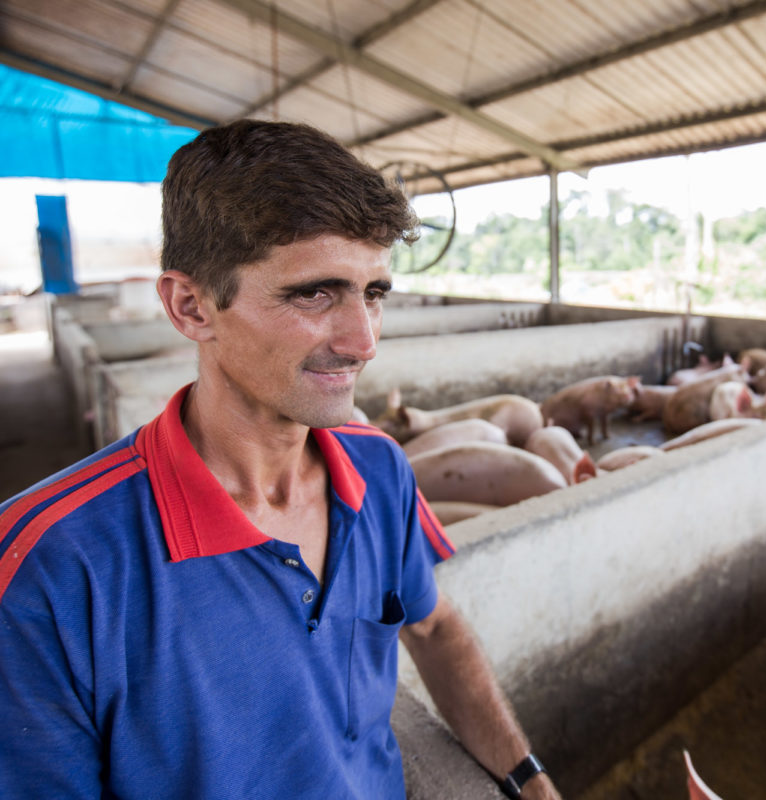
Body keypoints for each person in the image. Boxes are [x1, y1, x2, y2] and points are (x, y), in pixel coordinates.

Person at [0, 119, 561, 800]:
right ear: (191, 306)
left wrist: (528, 781)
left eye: (374, 293)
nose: (363, 341)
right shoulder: (49, 564)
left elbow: (434, 624)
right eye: (315, 293)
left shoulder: (379, 470)